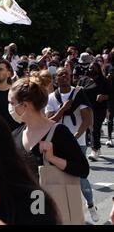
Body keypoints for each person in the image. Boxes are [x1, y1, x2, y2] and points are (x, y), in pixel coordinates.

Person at [9, 74, 90, 223]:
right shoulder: (15, 135)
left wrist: (53, 159)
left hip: (54, 215)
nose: (9, 108)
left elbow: (83, 169)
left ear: (25, 105)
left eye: (11, 103)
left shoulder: (59, 133)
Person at [45, 67, 99, 222]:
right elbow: (50, 120)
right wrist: (63, 109)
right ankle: (64, 213)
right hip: (57, 143)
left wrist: (75, 137)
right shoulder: (51, 97)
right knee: (60, 177)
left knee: (80, 176)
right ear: (56, 79)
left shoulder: (79, 93)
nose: (64, 77)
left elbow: (87, 119)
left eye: (66, 74)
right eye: (60, 75)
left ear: (71, 77)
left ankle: (90, 204)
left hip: (78, 142)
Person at [78, 62, 110, 161]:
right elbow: (77, 91)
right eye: (90, 68)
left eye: (94, 68)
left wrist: (104, 96)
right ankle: (97, 147)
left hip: (98, 108)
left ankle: (94, 150)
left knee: (95, 129)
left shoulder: (104, 81)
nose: (91, 70)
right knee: (86, 129)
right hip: (85, 108)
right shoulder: (84, 79)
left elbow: (111, 94)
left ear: (99, 69)